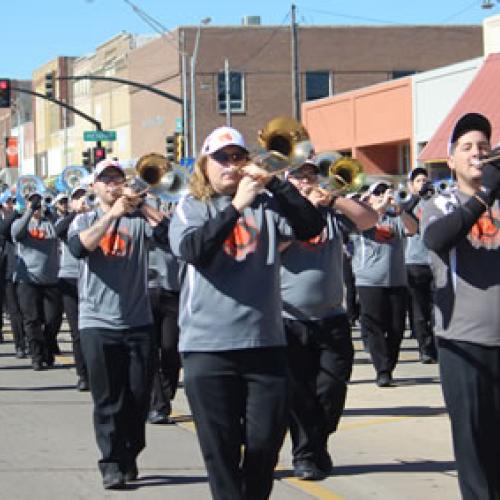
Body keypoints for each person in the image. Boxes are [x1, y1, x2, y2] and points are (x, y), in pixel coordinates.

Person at [168, 126, 325, 500]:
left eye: (238, 157)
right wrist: (237, 206)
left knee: (264, 447)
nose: (231, 165)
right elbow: (194, 250)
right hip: (208, 346)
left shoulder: (268, 204)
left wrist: (277, 185)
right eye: (221, 158)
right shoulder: (190, 206)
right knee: (220, 451)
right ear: (205, 165)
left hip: (264, 342)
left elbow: (311, 227)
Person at [67, 159, 170, 490]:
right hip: (96, 321)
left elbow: (172, 237)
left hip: (138, 320)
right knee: (108, 397)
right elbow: (78, 247)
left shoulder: (139, 219)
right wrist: (112, 215)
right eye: (106, 180)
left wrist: (143, 204)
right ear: (95, 187)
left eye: (118, 179)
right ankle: (111, 462)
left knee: (138, 397)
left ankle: (129, 454)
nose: (113, 185)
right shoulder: (84, 219)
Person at [280, 159, 378, 480]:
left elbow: (369, 220)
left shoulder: (333, 215)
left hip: (332, 317)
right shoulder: (278, 214)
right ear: (286, 181)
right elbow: (275, 246)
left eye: (310, 175)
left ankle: (315, 446)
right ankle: (307, 456)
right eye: (298, 176)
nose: (305, 181)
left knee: (331, 391)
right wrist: (301, 211)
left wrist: (333, 200)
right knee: (301, 394)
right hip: (288, 319)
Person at [421, 112, 500, 499]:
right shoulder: (441, 204)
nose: (477, 153)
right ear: (450, 160)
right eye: (466, 147)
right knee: (474, 450)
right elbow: (438, 238)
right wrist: (485, 196)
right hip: (462, 342)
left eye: (483, 147)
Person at [350, 181, 418, 387]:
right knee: (374, 327)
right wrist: (378, 207)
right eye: (377, 192)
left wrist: (400, 209)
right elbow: (363, 223)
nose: (382, 195)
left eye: (385, 192)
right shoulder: (360, 217)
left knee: (397, 328)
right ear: (369, 197)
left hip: (397, 280)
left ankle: (389, 365)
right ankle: (382, 369)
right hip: (369, 281)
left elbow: (413, 229)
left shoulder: (394, 218)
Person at [11, 191, 63, 370]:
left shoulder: (50, 223)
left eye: (38, 202)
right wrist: (28, 211)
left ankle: (48, 350)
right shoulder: (20, 222)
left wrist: (48, 211)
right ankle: (37, 356)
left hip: (51, 281)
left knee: (53, 320)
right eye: (32, 202)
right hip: (28, 281)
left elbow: (60, 229)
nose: (36, 206)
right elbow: (17, 233)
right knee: (31, 320)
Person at [146, 196, 181, 425]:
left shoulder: (176, 221)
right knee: (149, 352)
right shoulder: (132, 220)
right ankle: (158, 405)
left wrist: (151, 212)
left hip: (172, 291)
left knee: (170, 350)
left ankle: (164, 396)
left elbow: (167, 234)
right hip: (144, 291)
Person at [54, 186, 90, 391]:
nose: (82, 200)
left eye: (84, 197)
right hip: (70, 278)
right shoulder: (67, 220)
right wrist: (76, 212)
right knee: (77, 332)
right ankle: (83, 375)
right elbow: (58, 232)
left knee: (93, 332)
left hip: (93, 280)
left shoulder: (97, 216)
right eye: (76, 198)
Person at [404, 167, 437, 363]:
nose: (423, 183)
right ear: (411, 185)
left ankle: (437, 345)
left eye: (425, 179)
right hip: (415, 262)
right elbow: (405, 213)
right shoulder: (409, 203)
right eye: (418, 181)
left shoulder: (436, 201)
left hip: (435, 262)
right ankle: (424, 348)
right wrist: (417, 196)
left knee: (437, 309)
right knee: (419, 310)